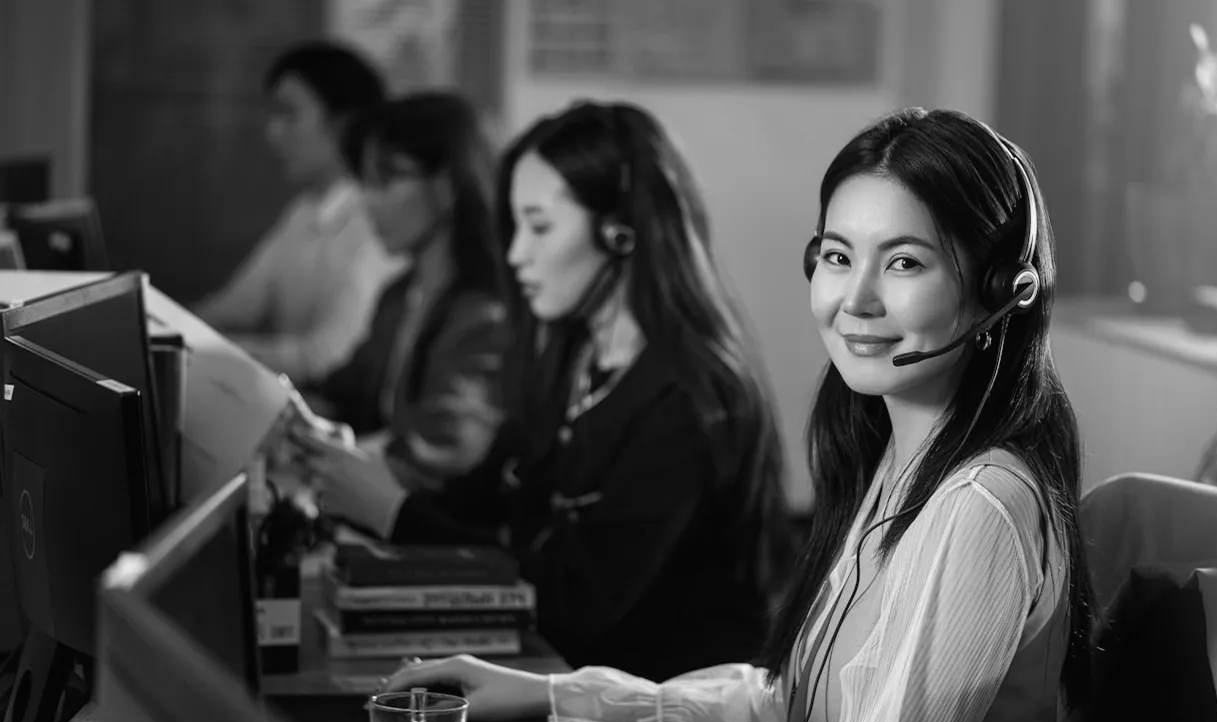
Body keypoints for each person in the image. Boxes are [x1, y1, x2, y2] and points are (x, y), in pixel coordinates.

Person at [368, 108, 1096, 722]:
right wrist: (554, 696)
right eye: (839, 255)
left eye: (906, 263)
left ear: (1002, 290)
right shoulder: (895, 461)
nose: (854, 299)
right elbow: (793, 704)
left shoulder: (981, 504)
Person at [304, 101, 790, 680]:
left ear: (620, 232)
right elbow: (486, 495)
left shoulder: (694, 396)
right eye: (515, 228)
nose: (515, 255)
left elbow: (578, 602)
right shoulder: (572, 354)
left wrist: (393, 510)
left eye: (539, 227)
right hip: (575, 683)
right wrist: (362, 484)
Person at [293, 93, 508, 492]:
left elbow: (444, 449)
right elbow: (344, 394)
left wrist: (331, 455)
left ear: (447, 185)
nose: (367, 202)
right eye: (364, 183)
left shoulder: (485, 313)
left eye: (385, 181)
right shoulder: (400, 295)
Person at [197, 41, 404, 386]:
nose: (273, 133)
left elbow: (328, 357)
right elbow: (239, 305)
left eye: (289, 114)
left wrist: (206, 349)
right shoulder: (304, 212)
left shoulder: (379, 224)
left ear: (344, 125)